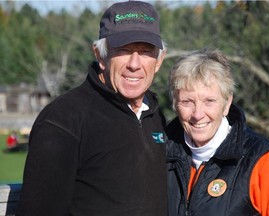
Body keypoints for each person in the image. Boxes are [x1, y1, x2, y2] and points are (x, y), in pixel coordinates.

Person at [16, 1, 167, 215]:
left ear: (159, 61)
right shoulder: (63, 120)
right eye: (123, 50)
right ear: (100, 55)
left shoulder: (155, 114)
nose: (135, 63)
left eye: (145, 51)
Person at [166, 48, 269, 216]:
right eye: (187, 102)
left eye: (209, 101)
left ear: (227, 103)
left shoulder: (263, 161)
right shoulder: (159, 155)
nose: (198, 114)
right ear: (175, 104)